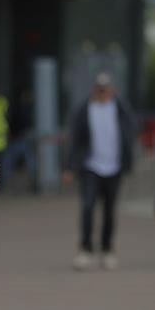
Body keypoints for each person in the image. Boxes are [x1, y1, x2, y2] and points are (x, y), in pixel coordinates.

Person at [64, 72, 135, 271]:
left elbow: (129, 134)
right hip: (90, 166)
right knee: (87, 207)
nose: (102, 93)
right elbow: (75, 139)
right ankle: (85, 249)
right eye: (99, 89)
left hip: (114, 167)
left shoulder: (120, 109)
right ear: (94, 89)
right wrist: (70, 166)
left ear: (112, 90)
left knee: (109, 210)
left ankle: (107, 249)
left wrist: (128, 160)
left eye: (106, 89)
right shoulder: (84, 109)